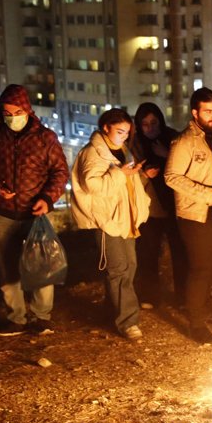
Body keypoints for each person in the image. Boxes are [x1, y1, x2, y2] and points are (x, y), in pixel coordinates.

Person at [0, 85, 68, 337]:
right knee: (7, 267)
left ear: (28, 111)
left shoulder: (45, 138)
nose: (12, 117)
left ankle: (42, 317)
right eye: (7, 112)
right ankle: (16, 317)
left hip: (36, 214)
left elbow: (59, 172)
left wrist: (47, 198)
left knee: (42, 265)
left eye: (17, 111)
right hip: (3, 214)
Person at [165, 88, 212, 345]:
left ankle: (207, 311)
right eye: (208, 111)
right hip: (196, 213)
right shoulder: (184, 141)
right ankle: (196, 324)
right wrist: (206, 194)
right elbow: (171, 177)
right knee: (200, 268)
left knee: (209, 265)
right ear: (195, 113)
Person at [71, 109, 150, 340]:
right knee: (118, 269)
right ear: (105, 127)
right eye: (119, 131)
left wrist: (137, 177)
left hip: (125, 217)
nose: (123, 136)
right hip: (107, 219)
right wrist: (121, 174)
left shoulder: (121, 149)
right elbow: (92, 186)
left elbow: (125, 180)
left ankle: (114, 311)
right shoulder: (93, 153)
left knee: (130, 265)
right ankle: (127, 321)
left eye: (126, 132)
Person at [129, 103, 186, 309]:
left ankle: (183, 298)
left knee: (180, 253)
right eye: (144, 124)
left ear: (161, 121)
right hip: (150, 209)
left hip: (175, 206)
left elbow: (186, 168)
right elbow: (129, 179)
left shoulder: (174, 138)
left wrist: (166, 155)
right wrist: (144, 175)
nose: (150, 128)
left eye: (154, 123)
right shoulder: (135, 145)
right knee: (148, 253)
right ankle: (150, 295)